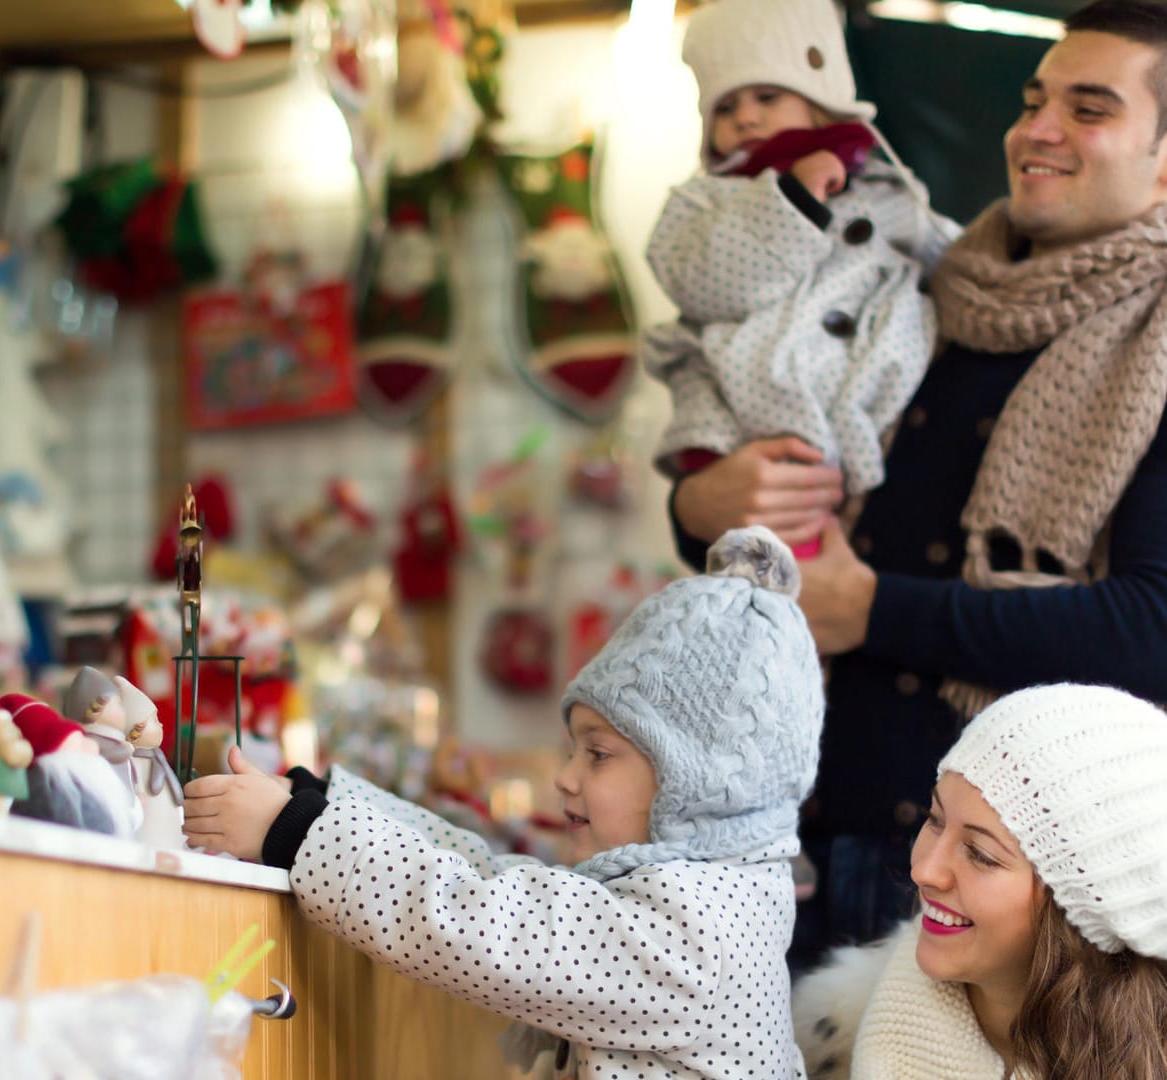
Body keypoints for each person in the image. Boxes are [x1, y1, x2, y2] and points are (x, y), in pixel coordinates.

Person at [668, 0, 1167, 962]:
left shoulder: (1157, 345)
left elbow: (1153, 630)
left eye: (1090, 108)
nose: (1037, 130)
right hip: (823, 826)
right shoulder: (923, 283)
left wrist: (874, 610)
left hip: (1035, 894)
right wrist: (702, 505)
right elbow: (780, 460)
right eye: (1034, 100)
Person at [184, 527, 824, 1078]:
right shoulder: (713, 894)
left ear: (700, 784)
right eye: (572, 748)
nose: (566, 778)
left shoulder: (693, 937)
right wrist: (320, 802)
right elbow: (496, 878)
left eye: (598, 755)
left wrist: (298, 832)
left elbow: (481, 923)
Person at [644, 0, 958, 559]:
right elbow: (705, 284)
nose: (745, 117)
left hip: (876, 404)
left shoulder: (887, 189)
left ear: (822, 99)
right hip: (754, 410)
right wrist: (791, 198)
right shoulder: (700, 202)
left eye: (768, 96)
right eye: (726, 106)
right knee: (772, 568)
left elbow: (952, 260)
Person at [792, 683, 1167, 1080]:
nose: (924, 871)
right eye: (934, 819)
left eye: (981, 855)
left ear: (1089, 907)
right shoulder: (833, 1036)